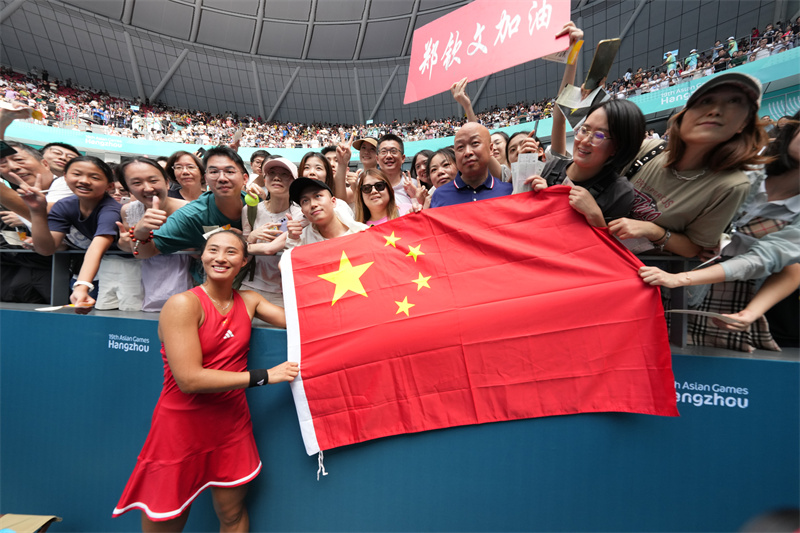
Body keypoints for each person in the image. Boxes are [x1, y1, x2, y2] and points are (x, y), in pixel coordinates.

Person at [113, 230, 299, 530]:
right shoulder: (183, 304)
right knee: (167, 517)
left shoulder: (250, 300)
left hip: (231, 425)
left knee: (232, 514)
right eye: (213, 250)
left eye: (230, 252)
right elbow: (190, 380)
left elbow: (301, 320)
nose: (220, 258)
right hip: (181, 427)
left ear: (244, 261)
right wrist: (266, 376)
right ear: (202, 256)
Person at [639, 112, 800, 351]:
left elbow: (769, 261)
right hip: (657, 263)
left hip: (725, 293)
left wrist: (750, 313)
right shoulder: (744, 158)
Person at [610, 72, 769, 258]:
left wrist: (653, 231)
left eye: (734, 102)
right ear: (683, 116)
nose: (715, 111)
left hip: (645, 271)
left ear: (743, 124)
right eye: (705, 101)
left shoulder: (731, 185)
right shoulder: (648, 149)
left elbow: (696, 249)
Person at [19, 155, 121, 306]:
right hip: (90, 270)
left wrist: (82, 286)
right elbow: (47, 248)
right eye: (77, 174)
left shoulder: (111, 210)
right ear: (65, 177)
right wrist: (37, 212)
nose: (84, 181)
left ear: (109, 186)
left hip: (124, 268)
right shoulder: (64, 206)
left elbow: (97, 247)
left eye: (94, 177)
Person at [528, 99, 645, 227]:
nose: (584, 141)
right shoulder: (551, 167)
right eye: (584, 130)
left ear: (617, 147)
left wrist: (595, 217)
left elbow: (609, 245)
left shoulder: (619, 192)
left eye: (599, 136)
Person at [134, 146, 247, 259]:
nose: (222, 178)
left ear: (245, 178)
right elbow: (145, 252)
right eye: (214, 172)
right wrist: (140, 232)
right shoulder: (191, 215)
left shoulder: (258, 205)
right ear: (206, 179)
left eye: (230, 171)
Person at [116, 158, 192, 312]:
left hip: (185, 277)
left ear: (167, 183)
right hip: (146, 279)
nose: (148, 188)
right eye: (136, 183)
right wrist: (130, 239)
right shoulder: (128, 211)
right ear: (129, 189)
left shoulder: (190, 209)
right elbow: (135, 250)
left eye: (153, 180)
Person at [242, 157, 302, 306]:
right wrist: (251, 237)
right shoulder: (250, 209)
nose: (276, 177)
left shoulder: (300, 214)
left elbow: (266, 249)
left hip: (285, 289)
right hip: (250, 285)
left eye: (284, 174)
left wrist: (245, 245)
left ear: (294, 181)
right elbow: (243, 246)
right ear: (265, 178)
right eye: (271, 173)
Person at [429, 122, 511, 208]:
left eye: (475, 143)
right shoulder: (439, 196)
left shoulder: (509, 191)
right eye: (460, 147)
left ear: (490, 149)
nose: (467, 152)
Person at [285, 178, 367, 248]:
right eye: (305, 201)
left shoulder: (362, 232)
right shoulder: (302, 240)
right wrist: (293, 239)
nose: (313, 204)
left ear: (333, 202)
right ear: (303, 211)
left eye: (317, 196)